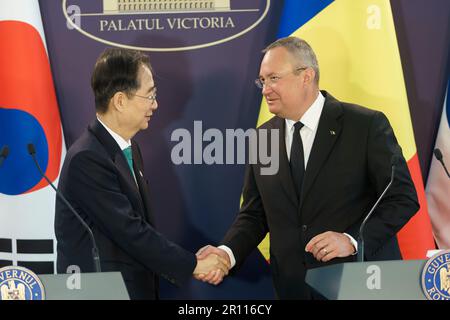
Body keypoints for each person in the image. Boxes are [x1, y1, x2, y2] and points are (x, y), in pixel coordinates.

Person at [196, 37, 419, 299]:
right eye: (262, 81)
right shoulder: (263, 138)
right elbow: (255, 213)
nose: (265, 89)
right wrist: (227, 253)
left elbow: (401, 197)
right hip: (294, 288)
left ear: (306, 76)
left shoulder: (365, 126)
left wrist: (352, 239)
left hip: (358, 285)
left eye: (273, 78)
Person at [55, 48, 229, 300]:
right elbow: (130, 231)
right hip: (100, 294)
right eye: (150, 95)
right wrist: (193, 264)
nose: (155, 104)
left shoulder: (128, 148)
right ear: (120, 101)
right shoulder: (88, 158)